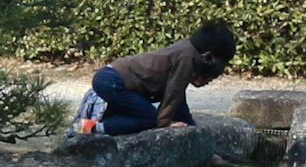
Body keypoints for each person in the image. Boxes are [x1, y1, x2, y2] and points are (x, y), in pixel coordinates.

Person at [83, 19, 236, 137]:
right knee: (150, 119)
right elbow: (174, 92)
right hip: (114, 81)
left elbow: (179, 102)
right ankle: (92, 127)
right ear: (209, 57)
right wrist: (164, 122)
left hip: (112, 79)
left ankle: (97, 125)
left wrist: (192, 129)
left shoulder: (186, 50)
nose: (207, 82)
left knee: (140, 113)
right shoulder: (187, 58)